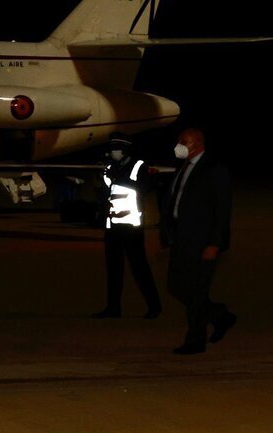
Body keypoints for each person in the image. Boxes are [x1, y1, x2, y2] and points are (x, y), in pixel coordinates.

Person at [160, 128, 235, 354]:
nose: (179, 145)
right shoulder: (183, 169)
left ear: (198, 144)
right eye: (179, 140)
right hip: (181, 239)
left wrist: (215, 243)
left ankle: (195, 341)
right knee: (176, 286)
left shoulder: (214, 170)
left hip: (203, 241)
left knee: (197, 291)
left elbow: (223, 210)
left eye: (184, 141)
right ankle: (219, 315)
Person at [92, 133, 161, 319]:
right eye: (112, 149)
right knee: (113, 269)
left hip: (131, 225)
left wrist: (119, 177)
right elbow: (104, 193)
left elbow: (144, 187)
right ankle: (113, 307)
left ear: (125, 149)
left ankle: (154, 306)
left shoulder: (139, 165)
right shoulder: (109, 167)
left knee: (139, 267)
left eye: (117, 149)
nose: (113, 152)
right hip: (113, 225)